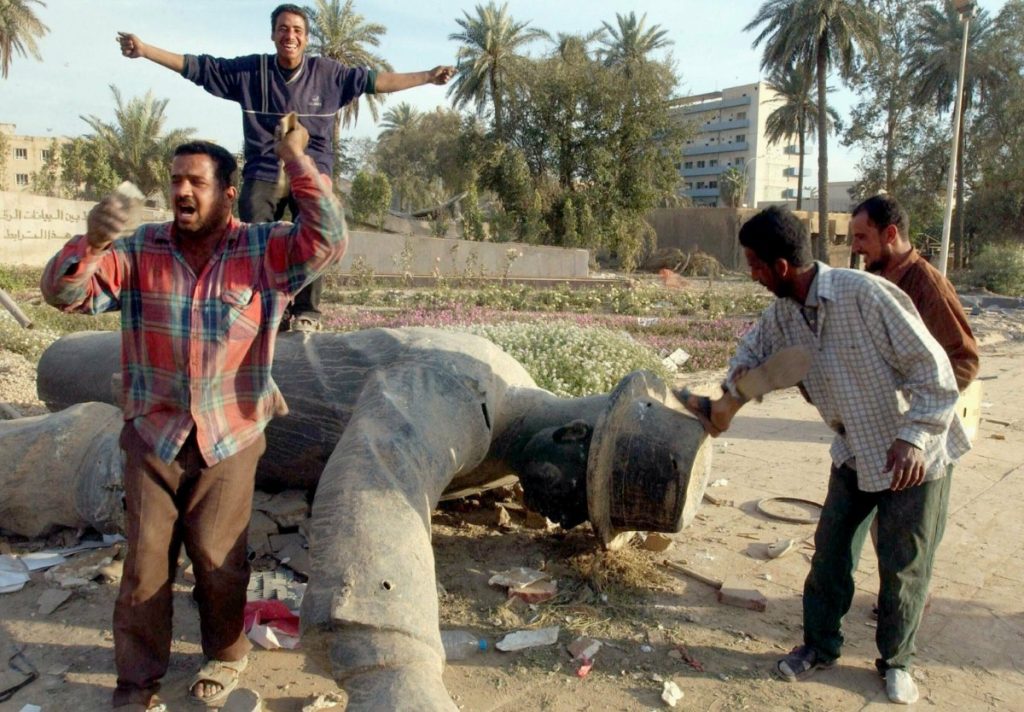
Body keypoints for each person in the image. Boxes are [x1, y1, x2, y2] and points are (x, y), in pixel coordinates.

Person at [39, 122, 347, 710]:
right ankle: (137, 683)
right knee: (146, 565)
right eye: (176, 180)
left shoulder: (264, 249)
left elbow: (327, 239)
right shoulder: (139, 249)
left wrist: (295, 160)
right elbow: (63, 294)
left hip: (230, 432)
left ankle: (225, 653)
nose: (183, 191)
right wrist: (92, 244)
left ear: (227, 193)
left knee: (218, 560)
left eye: (196, 182)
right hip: (153, 434)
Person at [686, 206, 969, 705]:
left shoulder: (867, 296)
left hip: (913, 453)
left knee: (902, 566)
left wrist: (914, 438)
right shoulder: (782, 315)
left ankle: (897, 662)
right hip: (854, 449)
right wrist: (735, 386)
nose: (751, 275)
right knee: (831, 555)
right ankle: (819, 646)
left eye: (754, 265)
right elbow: (750, 352)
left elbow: (937, 374)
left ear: (780, 267)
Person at [116, 3, 455, 331]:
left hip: (310, 166)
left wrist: (427, 76)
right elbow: (200, 68)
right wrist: (145, 50)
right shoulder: (251, 72)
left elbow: (377, 82)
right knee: (251, 228)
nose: (289, 35)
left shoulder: (330, 75)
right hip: (264, 169)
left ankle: (307, 310)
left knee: (316, 226)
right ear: (273, 35)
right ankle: (265, 308)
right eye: (283, 29)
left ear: (306, 39)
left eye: (297, 30)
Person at [851, 193, 979, 391]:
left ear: (890, 235)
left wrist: (919, 405)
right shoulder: (875, 282)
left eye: (862, 237)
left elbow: (963, 362)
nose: (855, 248)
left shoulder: (928, 286)